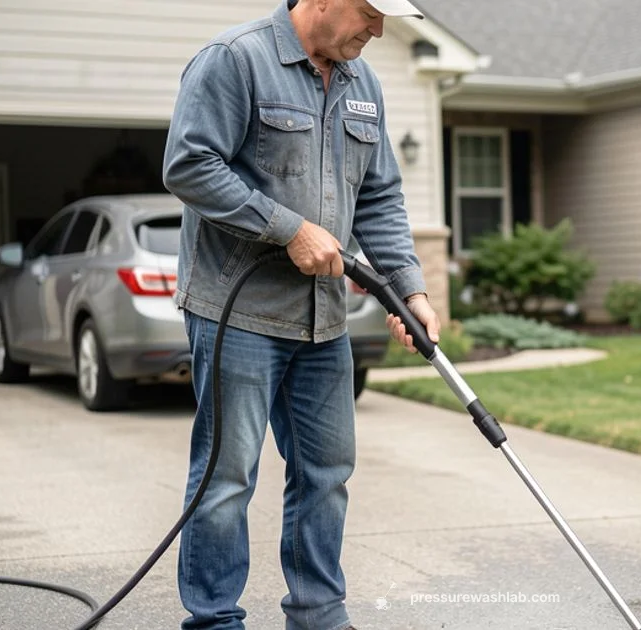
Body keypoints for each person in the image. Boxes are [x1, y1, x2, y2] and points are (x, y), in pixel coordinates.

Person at [161, 0, 440, 628]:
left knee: (327, 473)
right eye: (370, 11)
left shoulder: (363, 84)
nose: (379, 28)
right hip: (237, 313)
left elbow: (379, 196)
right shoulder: (235, 60)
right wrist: (288, 229)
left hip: (323, 319)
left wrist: (409, 290)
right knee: (226, 479)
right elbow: (189, 165)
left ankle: (318, 614)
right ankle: (215, 621)